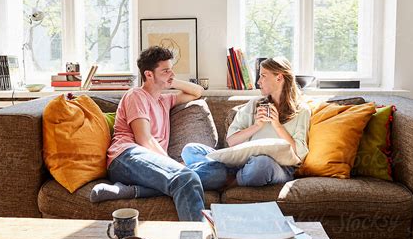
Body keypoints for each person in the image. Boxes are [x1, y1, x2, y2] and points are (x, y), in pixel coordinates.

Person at [90, 46, 227, 221]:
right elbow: (144, 139)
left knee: (218, 174)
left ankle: (133, 191)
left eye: (171, 70)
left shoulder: (164, 100)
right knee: (186, 179)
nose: (171, 74)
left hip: (149, 162)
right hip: (125, 157)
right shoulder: (136, 95)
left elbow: (198, 92)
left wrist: (170, 80)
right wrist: (173, 165)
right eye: (165, 71)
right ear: (148, 74)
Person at [181, 56, 311, 187]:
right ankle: (224, 175)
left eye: (263, 76)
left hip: (277, 167)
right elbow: (231, 141)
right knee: (191, 149)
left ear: (279, 77)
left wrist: (277, 125)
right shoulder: (254, 104)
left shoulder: (301, 111)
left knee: (261, 164)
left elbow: (299, 154)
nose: (258, 82)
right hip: (241, 163)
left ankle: (220, 179)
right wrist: (256, 126)